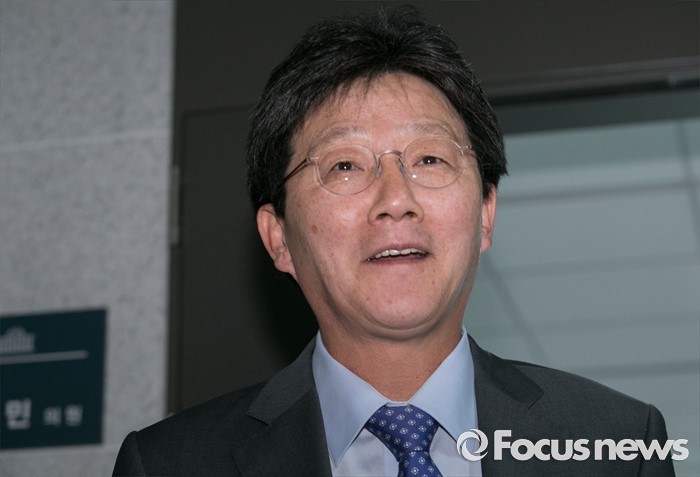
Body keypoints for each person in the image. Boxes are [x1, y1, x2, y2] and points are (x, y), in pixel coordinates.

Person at [113, 7, 675, 476]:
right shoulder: (169, 465)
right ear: (278, 237)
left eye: (429, 158)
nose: (396, 199)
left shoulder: (619, 444)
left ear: (485, 213)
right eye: (345, 165)